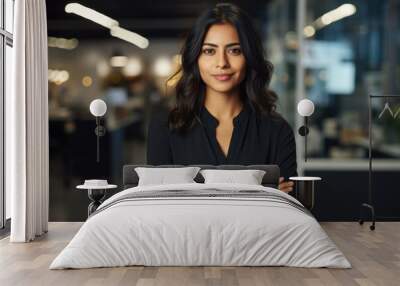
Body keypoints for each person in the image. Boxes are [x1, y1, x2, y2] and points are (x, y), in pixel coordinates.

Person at [146, 3, 296, 193]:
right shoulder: (165, 127)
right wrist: (260, 194)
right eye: (209, 51)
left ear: (249, 56)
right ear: (196, 58)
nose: (222, 63)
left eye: (235, 50)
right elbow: (158, 204)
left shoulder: (277, 130)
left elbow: (286, 208)